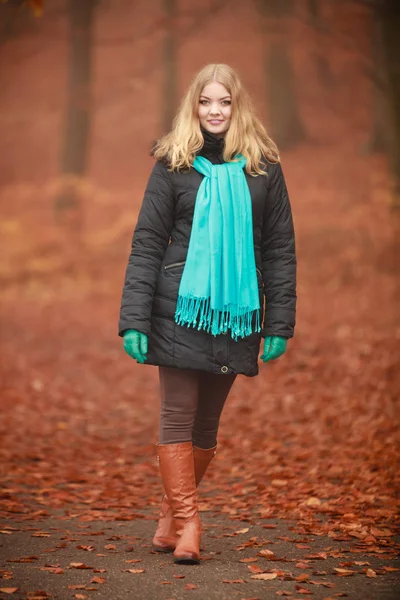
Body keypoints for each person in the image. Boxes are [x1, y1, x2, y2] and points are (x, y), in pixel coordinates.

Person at [118, 63, 296, 565]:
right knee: (177, 414)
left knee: (207, 427)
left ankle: (170, 516)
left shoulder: (264, 168)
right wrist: (133, 317)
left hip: (238, 311)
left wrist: (280, 321)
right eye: (205, 102)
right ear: (192, 107)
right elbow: (147, 244)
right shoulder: (171, 165)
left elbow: (280, 248)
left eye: (224, 102)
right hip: (178, 308)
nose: (215, 111)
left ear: (238, 107)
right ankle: (190, 522)